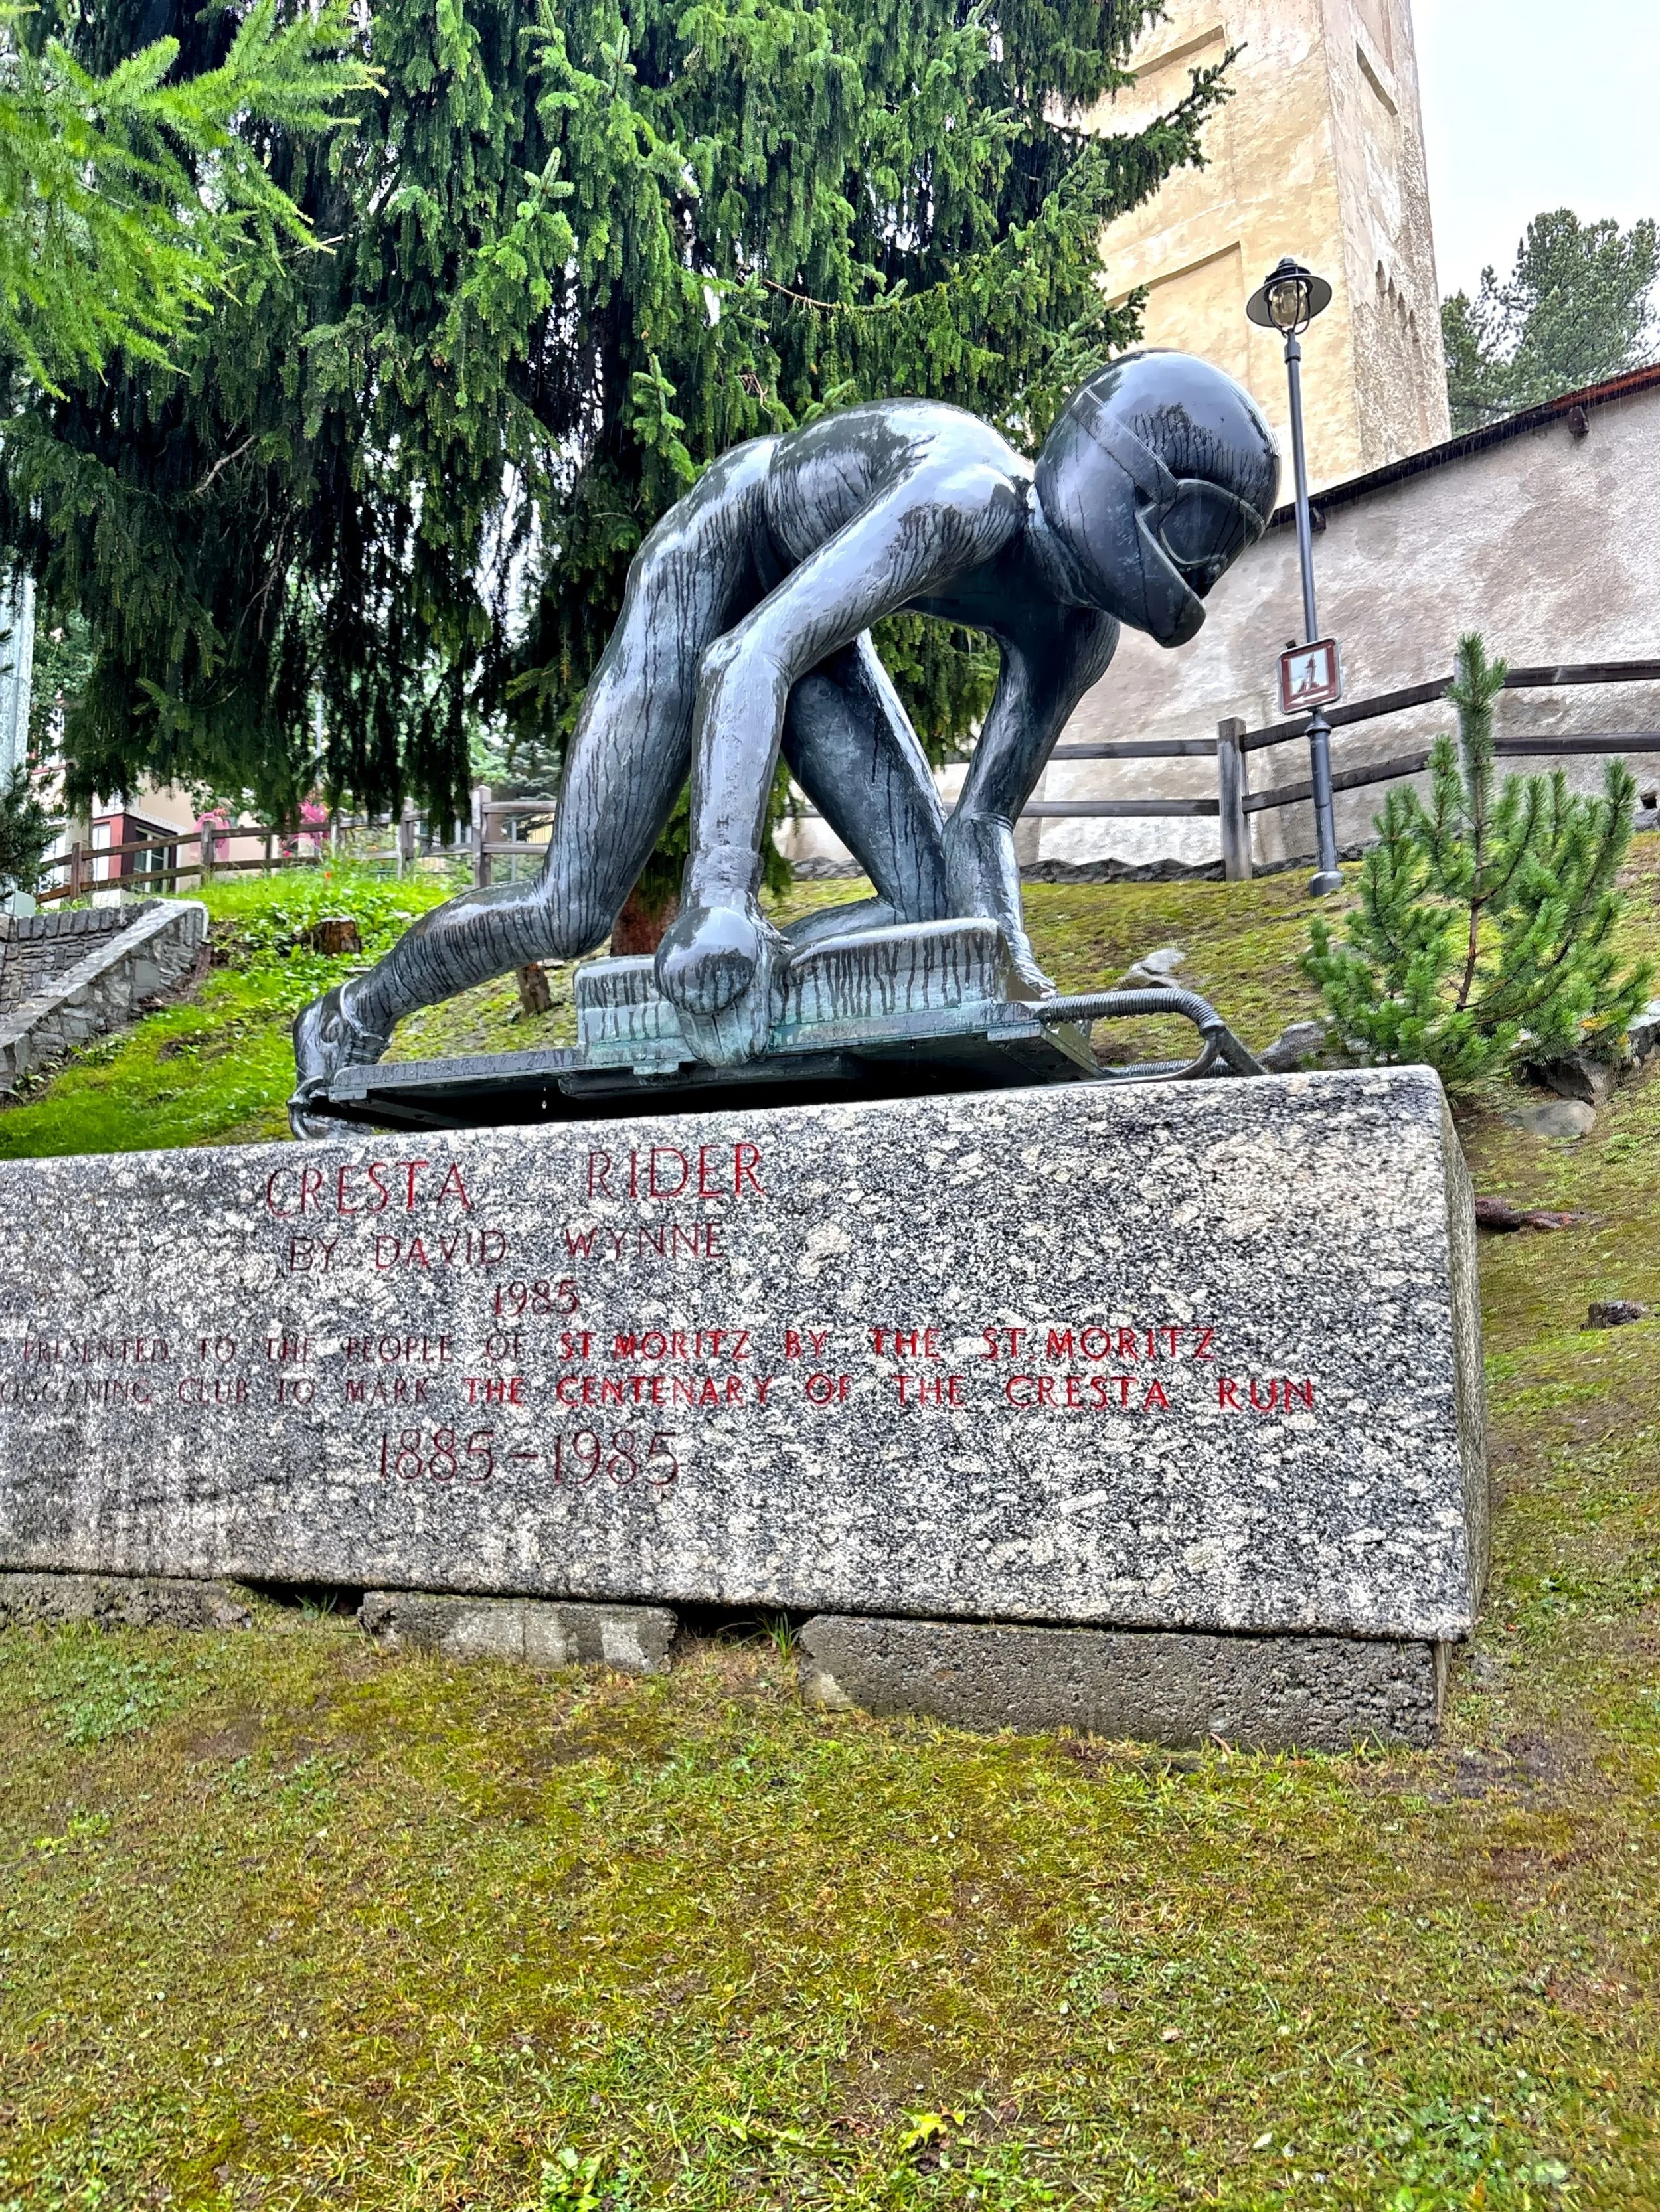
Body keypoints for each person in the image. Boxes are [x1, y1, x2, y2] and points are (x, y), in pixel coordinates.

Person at [291, 350, 1278, 1113]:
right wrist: (716, 895)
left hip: (801, 620)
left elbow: (981, 826)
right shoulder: (964, 500)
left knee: (941, 913)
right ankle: (352, 1017)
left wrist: (1012, 974)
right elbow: (743, 658)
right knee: (571, 910)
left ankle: (752, 981)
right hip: (721, 555)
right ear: (1137, 499)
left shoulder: (1076, 634)